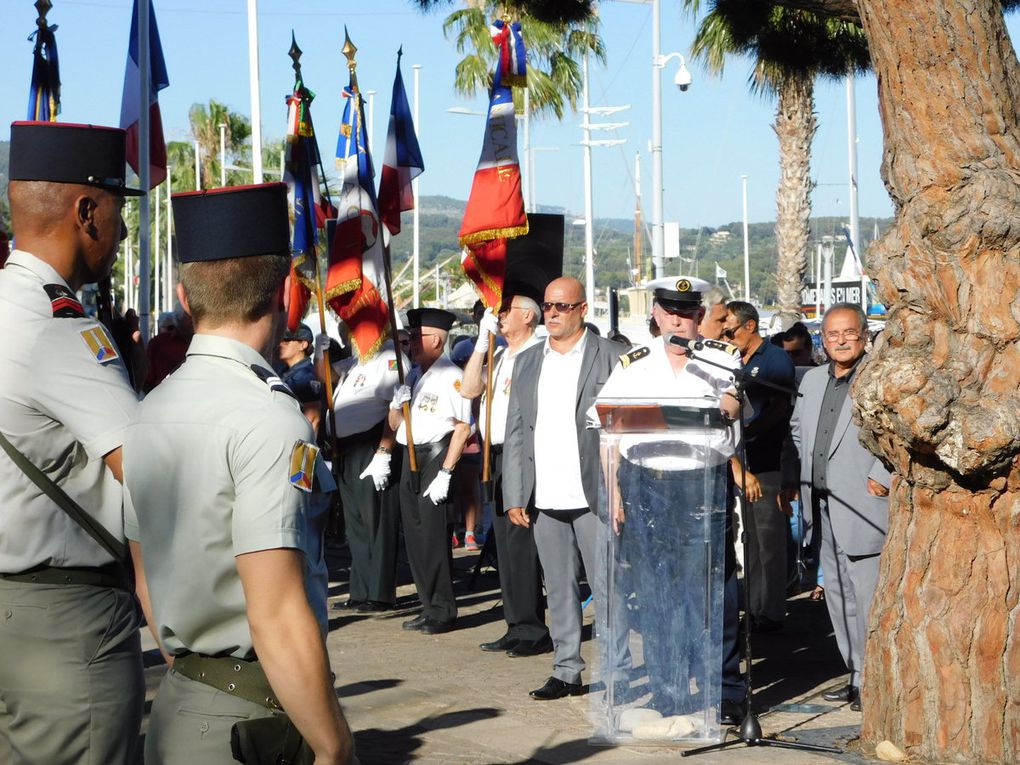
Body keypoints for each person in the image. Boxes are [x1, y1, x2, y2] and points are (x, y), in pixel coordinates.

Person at [122, 183, 355, 764]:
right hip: (254, 715)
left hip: (183, 704)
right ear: (284, 294)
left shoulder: (149, 410)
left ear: (183, 295)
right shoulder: (269, 418)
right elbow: (275, 609)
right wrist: (334, 747)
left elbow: (145, 573)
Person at [0, 121, 145, 765]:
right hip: (65, 621)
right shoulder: (55, 325)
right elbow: (149, 470)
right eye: (117, 210)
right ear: (87, 211)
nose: (120, 232)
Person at [598, 277, 747, 725]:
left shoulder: (723, 360)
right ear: (657, 315)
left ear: (700, 317)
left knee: (714, 592)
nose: (678, 319)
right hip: (648, 486)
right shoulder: (633, 365)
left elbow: (737, 413)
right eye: (670, 311)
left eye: (687, 312)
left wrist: (733, 402)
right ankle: (668, 689)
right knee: (657, 592)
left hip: (703, 483)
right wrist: (614, 493)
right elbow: (606, 431)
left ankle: (726, 690)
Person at [503, 276, 630, 700]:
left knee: (608, 588)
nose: (552, 314)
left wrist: (623, 491)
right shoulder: (527, 360)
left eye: (561, 306)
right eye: (548, 306)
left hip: (594, 491)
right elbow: (516, 430)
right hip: (545, 494)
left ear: (581, 310)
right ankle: (566, 669)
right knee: (557, 588)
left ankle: (618, 672)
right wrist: (515, 493)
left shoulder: (613, 356)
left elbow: (630, 428)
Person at [791, 303, 890, 712]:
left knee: (866, 596)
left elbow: (895, 432)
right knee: (837, 594)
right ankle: (854, 674)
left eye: (850, 332)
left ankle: (874, 681)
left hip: (863, 503)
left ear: (864, 335)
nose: (841, 340)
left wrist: (880, 477)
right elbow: (798, 429)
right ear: (824, 339)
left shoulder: (879, 378)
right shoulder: (812, 380)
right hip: (821, 501)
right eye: (833, 334)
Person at [461, 292, 551, 658]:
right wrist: (482, 346)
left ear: (527, 317)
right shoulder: (499, 356)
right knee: (503, 544)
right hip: (494, 456)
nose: (498, 316)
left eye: (505, 311)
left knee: (521, 544)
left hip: (521, 455)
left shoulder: (538, 352)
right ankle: (515, 623)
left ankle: (533, 628)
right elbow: (469, 389)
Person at [388, 308, 472, 635]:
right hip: (410, 458)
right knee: (414, 538)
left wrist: (447, 473)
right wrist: (397, 404)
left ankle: (443, 610)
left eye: (416, 337)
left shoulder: (452, 377)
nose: (409, 343)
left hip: (437, 457)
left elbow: (464, 428)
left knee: (433, 539)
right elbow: (395, 426)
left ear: (436, 339)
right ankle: (427, 605)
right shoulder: (412, 376)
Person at [722, 300, 796, 633]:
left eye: (731, 330)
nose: (727, 335)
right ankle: (752, 606)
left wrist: (747, 433)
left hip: (765, 459)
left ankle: (772, 611)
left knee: (769, 540)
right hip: (739, 460)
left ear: (750, 326)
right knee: (748, 539)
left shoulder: (775, 358)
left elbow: (780, 408)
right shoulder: (731, 359)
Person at [331, 335, 409, 613]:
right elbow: (324, 376)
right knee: (356, 525)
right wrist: (320, 353)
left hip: (372, 444)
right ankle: (360, 590)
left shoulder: (389, 359)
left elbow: (396, 408)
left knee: (377, 522)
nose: (350, 336)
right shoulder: (356, 362)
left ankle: (380, 594)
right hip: (347, 449)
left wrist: (384, 451)